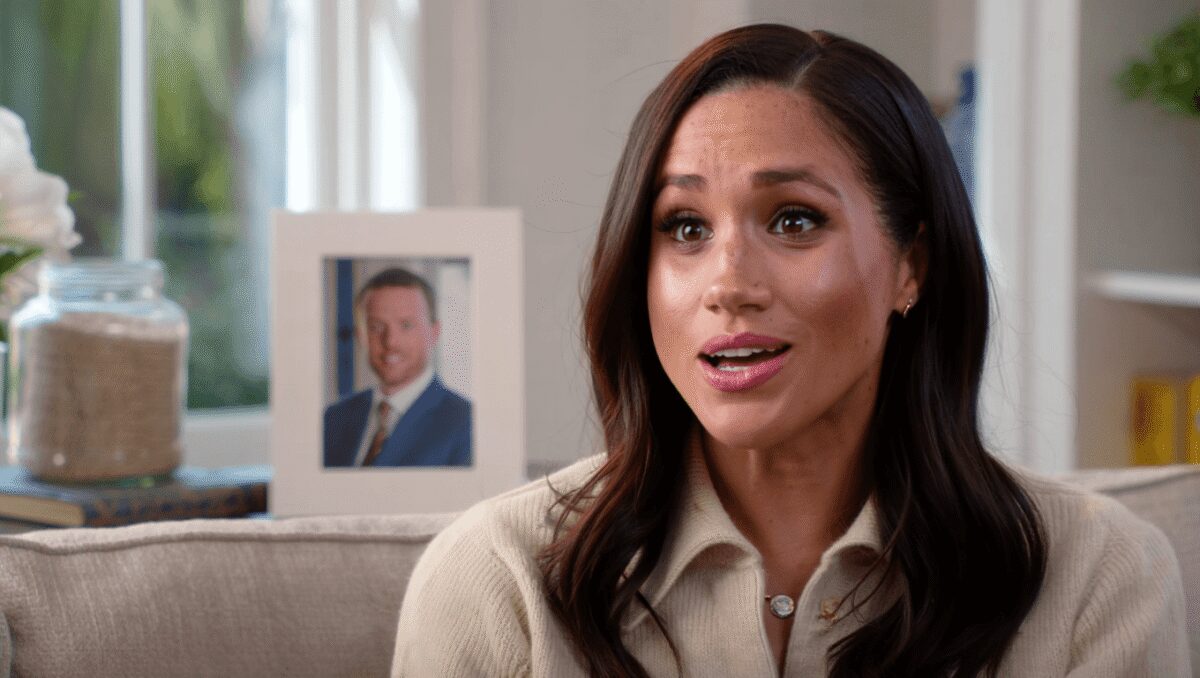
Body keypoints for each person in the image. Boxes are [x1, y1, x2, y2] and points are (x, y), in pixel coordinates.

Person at [392, 24, 1191, 677]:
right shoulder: (499, 581)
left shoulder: (1096, 578)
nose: (728, 283)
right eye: (685, 227)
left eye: (794, 220)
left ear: (912, 266)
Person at [324, 267, 472, 468]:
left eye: (406, 325)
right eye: (376, 327)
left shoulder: (467, 424)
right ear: (360, 336)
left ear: (434, 333)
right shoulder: (333, 419)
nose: (391, 342)